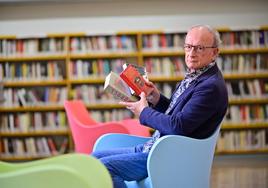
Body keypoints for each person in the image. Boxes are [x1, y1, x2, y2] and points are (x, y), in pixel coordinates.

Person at [92, 24, 228, 188]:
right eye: (188, 47)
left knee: (104, 168)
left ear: (214, 52)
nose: (191, 53)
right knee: (93, 160)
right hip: (156, 145)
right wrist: (156, 98)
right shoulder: (197, 75)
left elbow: (178, 126)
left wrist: (144, 111)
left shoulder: (210, 86)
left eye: (199, 48)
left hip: (171, 154)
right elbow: (176, 115)